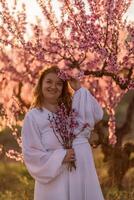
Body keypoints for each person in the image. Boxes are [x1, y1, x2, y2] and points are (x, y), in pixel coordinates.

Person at [21, 66, 105, 200]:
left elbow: (97, 114)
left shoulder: (71, 109)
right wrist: (61, 157)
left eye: (59, 83)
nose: (53, 86)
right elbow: (31, 154)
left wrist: (79, 89)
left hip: (79, 173)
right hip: (54, 181)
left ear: (64, 88)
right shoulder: (33, 116)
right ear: (41, 84)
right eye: (49, 81)